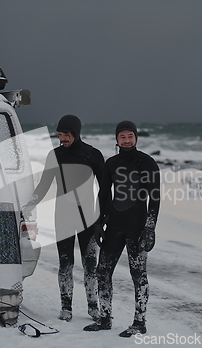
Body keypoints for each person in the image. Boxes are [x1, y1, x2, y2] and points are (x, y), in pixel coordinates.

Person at [23, 115, 105, 322]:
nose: (63, 138)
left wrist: (102, 218)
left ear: (76, 133)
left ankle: (93, 306)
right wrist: (31, 203)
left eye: (66, 134)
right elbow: (44, 184)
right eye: (60, 134)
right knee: (65, 262)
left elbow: (105, 189)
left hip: (88, 217)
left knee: (90, 263)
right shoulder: (55, 155)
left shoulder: (92, 155)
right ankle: (66, 307)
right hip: (63, 216)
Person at [83, 120, 160, 338]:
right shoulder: (112, 163)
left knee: (138, 274)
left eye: (130, 136)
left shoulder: (147, 163)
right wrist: (98, 222)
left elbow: (155, 198)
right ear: (116, 139)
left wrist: (150, 228)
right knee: (102, 271)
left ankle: (139, 322)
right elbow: (104, 194)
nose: (126, 140)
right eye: (122, 137)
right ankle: (105, 318)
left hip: (137, 226)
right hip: (115, 225)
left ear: (136, 138)